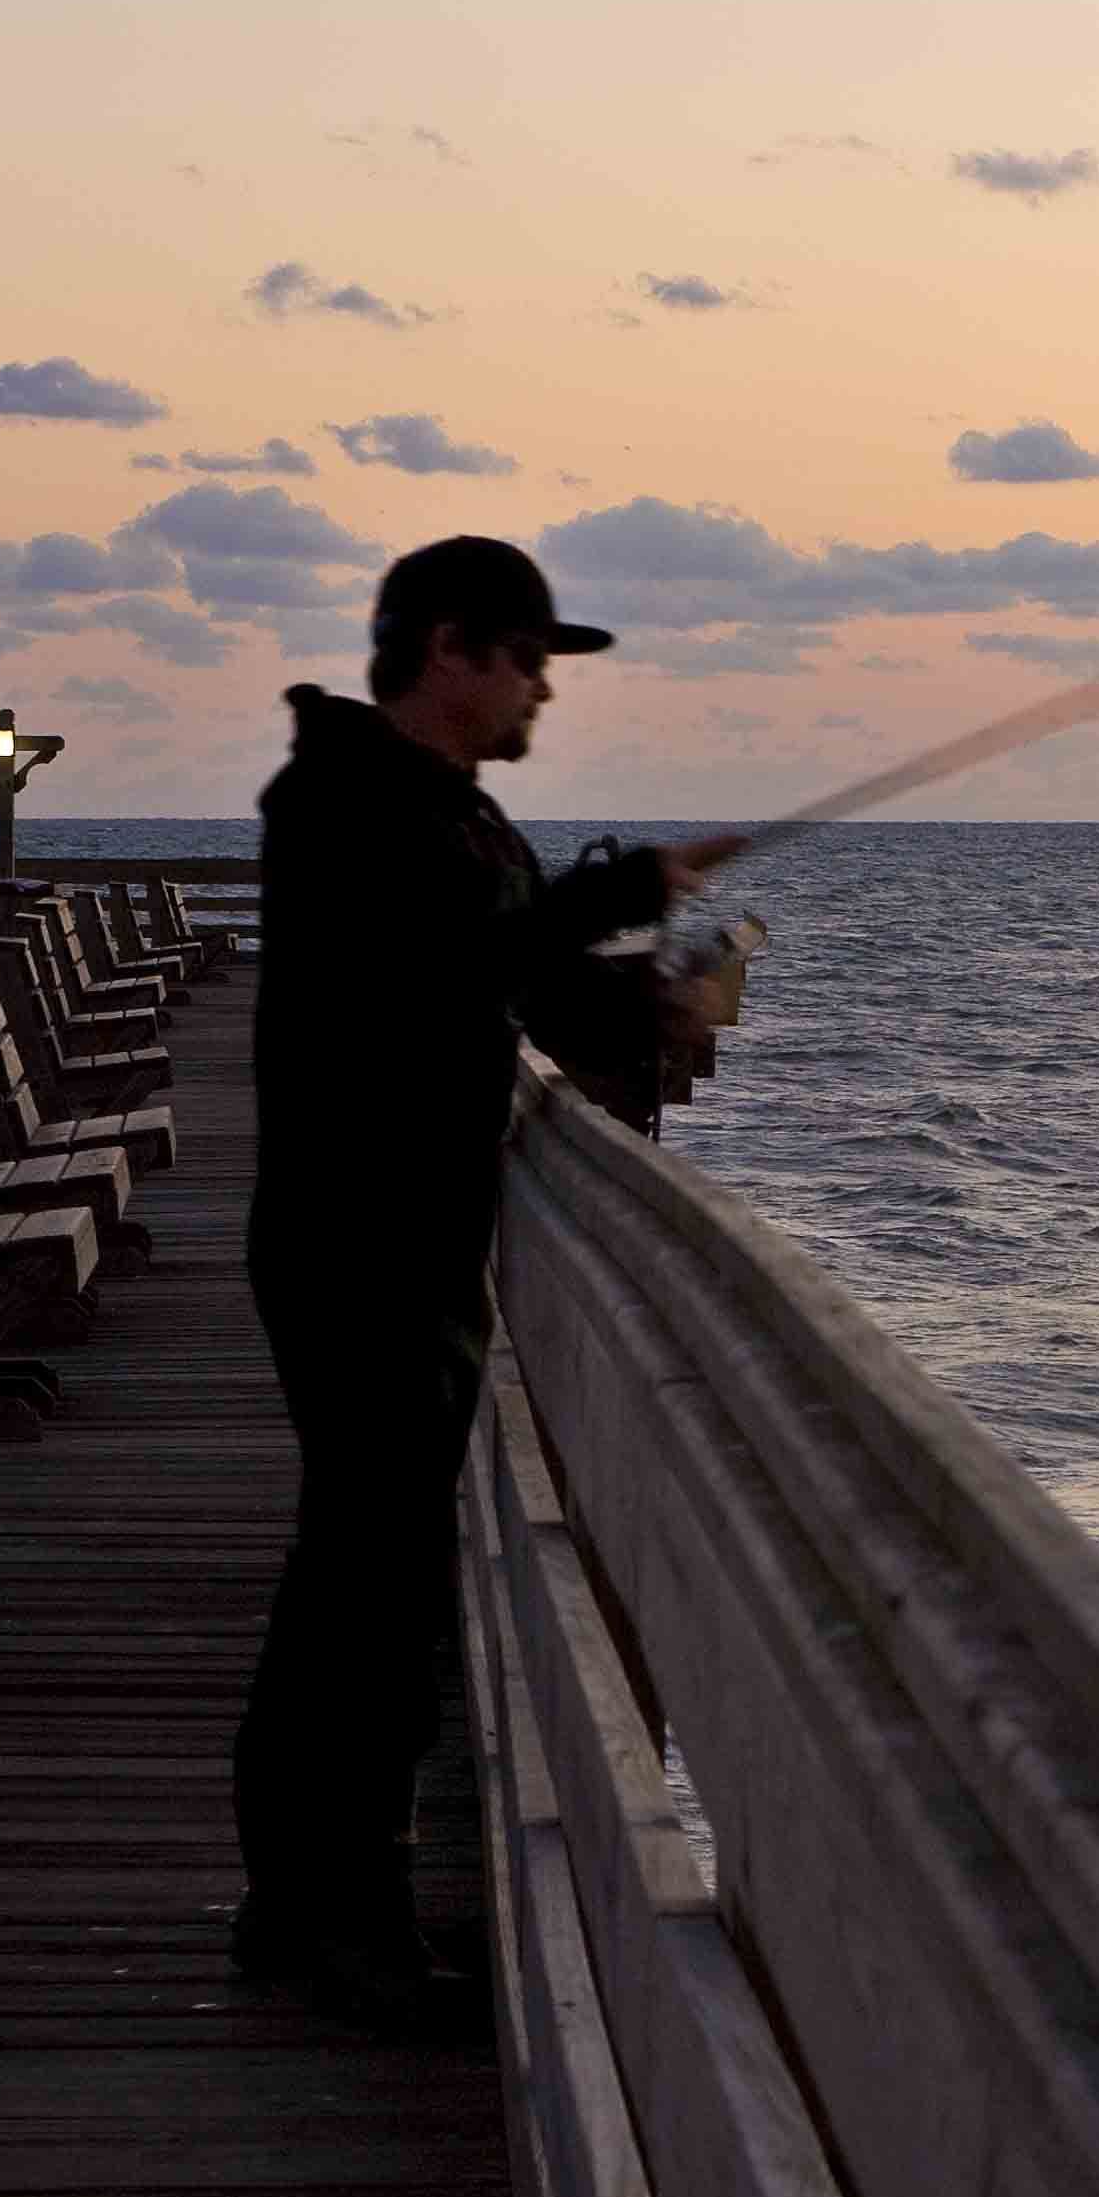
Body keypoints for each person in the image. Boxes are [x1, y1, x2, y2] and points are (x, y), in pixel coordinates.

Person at [230, 536, 732, 2033]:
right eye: (527, 663)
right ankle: (340, 1923)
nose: (541, 696)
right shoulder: (339, 805)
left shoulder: (452, 818)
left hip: (410, 1244)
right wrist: (618, 891)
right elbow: (437, 963)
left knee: (362, 1586)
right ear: (450, 650)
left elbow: (513, 979)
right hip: (357, 1248)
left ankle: (303, 1907)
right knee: (364, 1598)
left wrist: (663, 1003)